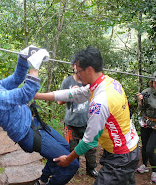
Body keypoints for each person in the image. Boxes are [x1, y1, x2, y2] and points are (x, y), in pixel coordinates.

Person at [0, 46, 79, 185]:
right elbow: (25, 93)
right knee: (72, 165)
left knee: (65, 148)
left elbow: (16, 79)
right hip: (28, 134)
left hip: (33, 124)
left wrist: (23, 58)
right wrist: (34, 67)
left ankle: (42, 180)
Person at [35, 46, 140, 185]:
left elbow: (89, 141)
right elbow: (72, 94)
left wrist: (68, 159)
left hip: (121, 155)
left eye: (79, 71)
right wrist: (36, 95)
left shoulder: (100, 102)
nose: (77, 76)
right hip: (126, 146)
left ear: (89, 69)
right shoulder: (108, 82)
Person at [58, 62, 98, 178]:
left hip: (88, 122)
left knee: (90, 148)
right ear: (73, 66)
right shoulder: (67, 82)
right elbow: (59, 102)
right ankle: (74, 168)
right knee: (71, 148)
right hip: (71, 122)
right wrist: (71, 93)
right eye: (76, 64)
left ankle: (91, 169)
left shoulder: (89, 80)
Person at [136, 71, 156, 183]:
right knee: (144, 145)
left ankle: (154, 170)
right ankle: (144, 164)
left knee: (150, 148)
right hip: (146, 122)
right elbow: (141, 109)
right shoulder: (147, 92)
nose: (155, 85)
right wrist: (141, 101)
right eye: (154, 82)